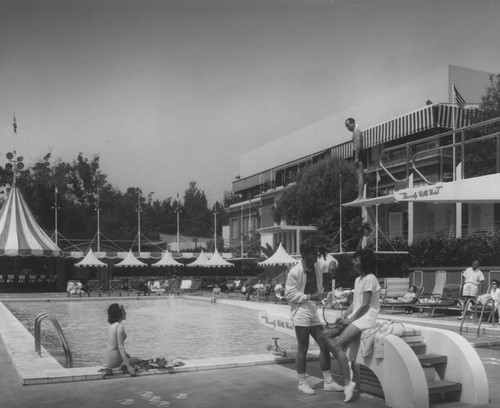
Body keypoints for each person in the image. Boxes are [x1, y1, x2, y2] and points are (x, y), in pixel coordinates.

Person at [322, 248, 381, 403]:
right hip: (356, 317)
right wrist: (343, 315)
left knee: (338, 346)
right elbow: (355, 304)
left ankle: (348, 383)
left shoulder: (370, 278)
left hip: (366, 318)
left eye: (356, 259)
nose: (353, 261)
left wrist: (351, 319)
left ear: (364, 262)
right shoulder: (358, 279)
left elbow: (366, 305)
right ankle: (347, 366)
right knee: (325, 334)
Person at [284, 239, 339, 395]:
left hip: (312, 309)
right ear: (305, 254)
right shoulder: (295, 271)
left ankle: (328, 381)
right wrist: (310, 296)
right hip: (300, 310)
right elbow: (289, 295)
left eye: (317, 253)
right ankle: (302, 382)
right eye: (314, 253)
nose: (316, 256)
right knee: (303, 347)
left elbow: (333, 264)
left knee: (324, 344)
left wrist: (327, 255)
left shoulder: (317, 264)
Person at [104, 303, 141, 376]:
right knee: (139, 360)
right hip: (115, 361)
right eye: (124, 312)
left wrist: (128, 357)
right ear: (120, 314)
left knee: (133, 359)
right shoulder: (119, 326)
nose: (126, 313)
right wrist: (129, 367)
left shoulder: (111, 326)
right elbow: (120, 347)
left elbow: (115, 346)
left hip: (108, 360)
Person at [345, 117, 365, 200]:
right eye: (346, 126)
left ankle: (360, 196)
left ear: (353, 123)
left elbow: (358, 142)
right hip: (358, 152)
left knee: (360, 175)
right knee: (359, 175)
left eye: (348, 125)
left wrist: (356, 156)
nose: (348, 127)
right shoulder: (354, 131)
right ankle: (360, 195)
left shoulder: (356, 130)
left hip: (358, 152)